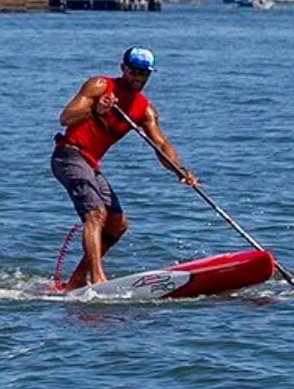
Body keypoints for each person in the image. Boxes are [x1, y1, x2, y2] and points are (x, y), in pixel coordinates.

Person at [52, 46, 195, 288]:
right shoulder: (100, 86)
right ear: (123, 69)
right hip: (69, 155)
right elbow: (65, 118)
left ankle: (77, 280)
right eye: (134, 72)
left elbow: (160, 144)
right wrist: (95, 110)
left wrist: (180, 170)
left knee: (117, 223)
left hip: (91, 164)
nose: (138, 79)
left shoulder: (144, 109)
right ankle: (98, 279)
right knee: (96, 214)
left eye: (144, 74)